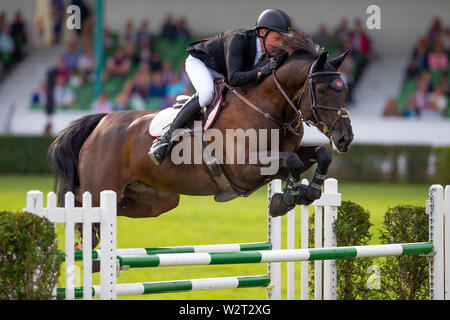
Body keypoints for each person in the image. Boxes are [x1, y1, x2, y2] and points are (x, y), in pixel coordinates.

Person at [148, 8, 293, 165]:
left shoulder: (269, 52)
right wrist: (262, 71)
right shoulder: (238, 39)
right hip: (201, 63)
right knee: (206, 95)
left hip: (222, 73)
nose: (279, 45)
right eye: (277, 39)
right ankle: (165, 140)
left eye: (283, 41)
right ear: (263, 32)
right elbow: (235, 78)